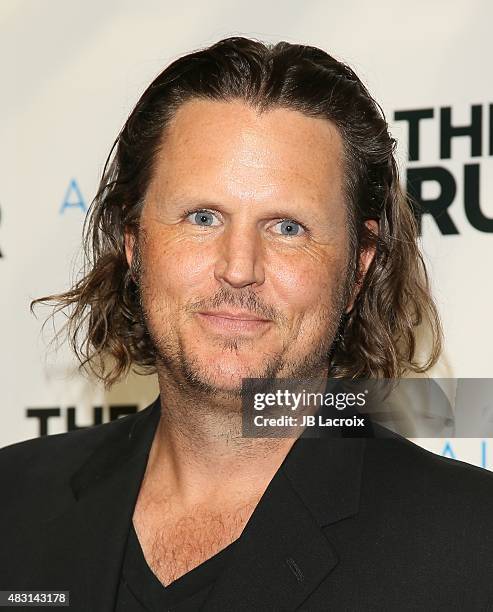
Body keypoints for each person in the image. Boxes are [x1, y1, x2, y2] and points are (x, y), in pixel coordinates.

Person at [1, 36, 492, 611]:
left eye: (287, 228)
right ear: (134, 243)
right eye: (202, 217)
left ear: (358, 269)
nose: (239, 268)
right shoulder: (13, 502)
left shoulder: (472, 547)